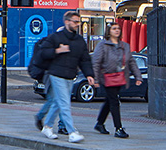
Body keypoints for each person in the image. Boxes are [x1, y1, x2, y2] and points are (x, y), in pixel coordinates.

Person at [38, 11, 95, 143]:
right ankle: (72, 132)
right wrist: (57, 51)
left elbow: (85, 59)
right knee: (65, 103)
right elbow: (43, 52)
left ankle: (47, 126)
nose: (77, 24)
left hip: (70, 76)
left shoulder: (79, 40)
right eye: (75, 22)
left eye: (78, 22)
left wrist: (89, 75)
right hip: (56, 74)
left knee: (58, 102)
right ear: (67, 22)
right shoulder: (55, 37)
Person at [91, 22, 142, 138]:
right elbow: (96, 62)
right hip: (107, 77)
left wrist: (138, 76)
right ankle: (118, 128)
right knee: (114, 101)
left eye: (118, 28)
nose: (117, 30)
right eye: (114, 29)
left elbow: (131, 62)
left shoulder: (125, 46)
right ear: (109, 31)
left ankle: (99, 123)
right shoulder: (102, 45)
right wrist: (96, 79)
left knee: (110, 101)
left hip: (120, 78)